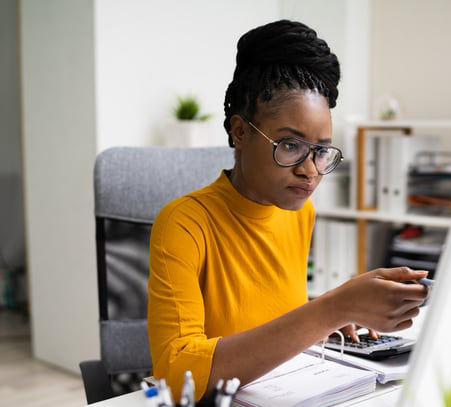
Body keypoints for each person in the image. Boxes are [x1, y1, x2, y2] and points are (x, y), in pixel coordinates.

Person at [147, 20, 429, 402]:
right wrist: (330, 309)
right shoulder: (184, 224)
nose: (310, 170)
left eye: (321, 150)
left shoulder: (300, 211)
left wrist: (328, 321)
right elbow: (176, 371)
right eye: (291, 145)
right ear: (241, 132)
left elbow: (270, 315)